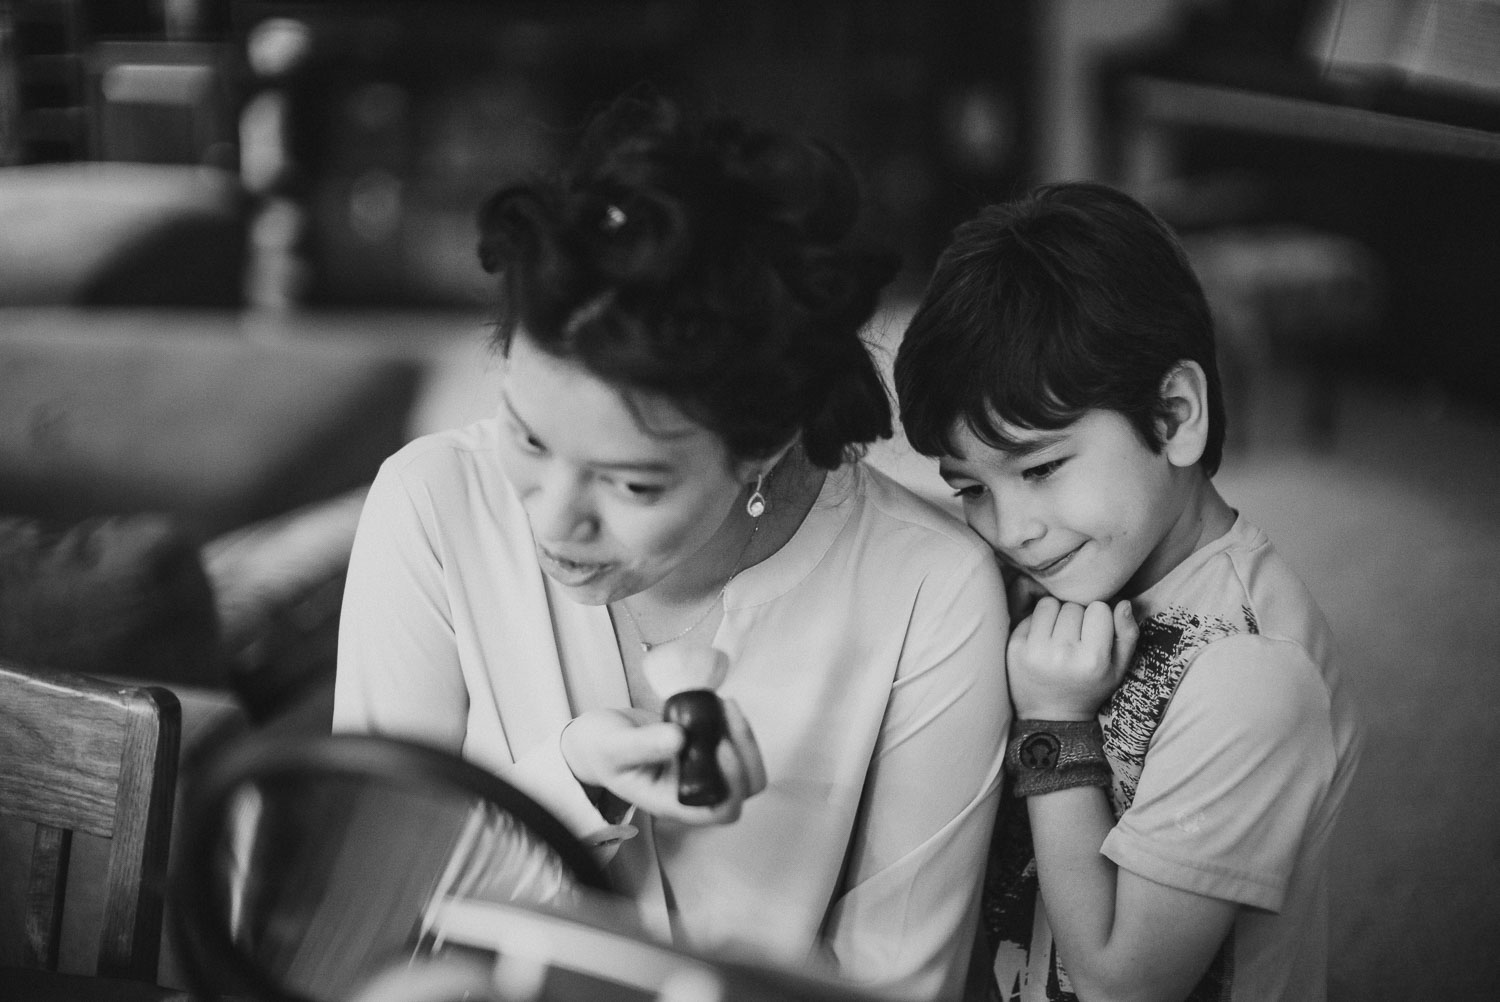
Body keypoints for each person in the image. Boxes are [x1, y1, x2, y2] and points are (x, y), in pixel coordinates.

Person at [333, 93, 1011, 1001]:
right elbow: (362, 924)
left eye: (631, 484)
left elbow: (898, 987)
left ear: (761, 446)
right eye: (529, 439)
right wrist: (571, 781)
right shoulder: (431, 505)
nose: (553, 520)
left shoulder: (929, 590)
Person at [894, 182, 1361, 1002]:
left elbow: (1121, 985)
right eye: (972, 487)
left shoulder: (1253, 677)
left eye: (1040, 468)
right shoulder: (1083, 549)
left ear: (1176, 415)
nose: (1011, 530)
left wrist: (1056, 725)